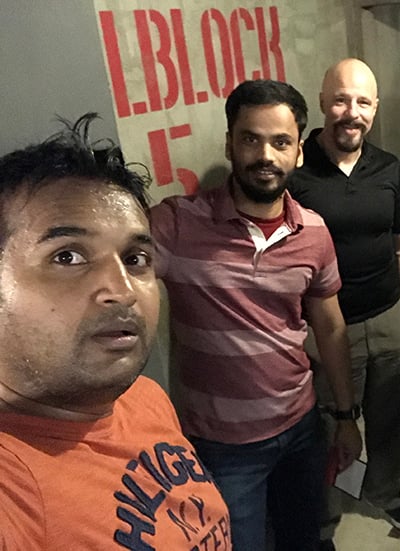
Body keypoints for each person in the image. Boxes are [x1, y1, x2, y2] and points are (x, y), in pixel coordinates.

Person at [0, 114, 231, 550]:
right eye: (67, 257)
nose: (122, 291)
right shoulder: (14, 491)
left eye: (134, 259)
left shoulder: (144, 397)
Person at [149, 80, 362, 551]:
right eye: (251, 139)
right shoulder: (178, 224)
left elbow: (330, 327)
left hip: (302, 426)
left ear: (298, 152)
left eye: (281, 142)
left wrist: (347, 416)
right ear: (230, 144)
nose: (266, 155)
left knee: (303, 538)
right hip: (223, 446)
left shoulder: (313, 231)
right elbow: (109, 253)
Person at [288, 58, 400, 545]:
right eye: (341, 100)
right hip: (326, 328)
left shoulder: (389, 168)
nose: (352, 112)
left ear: (375, 108)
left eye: (363, 102)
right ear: (322, 102)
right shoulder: (295, 169)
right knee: (329, 428)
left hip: (390, 319)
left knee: (393, 419)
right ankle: (325, 517)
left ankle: (385, 491)